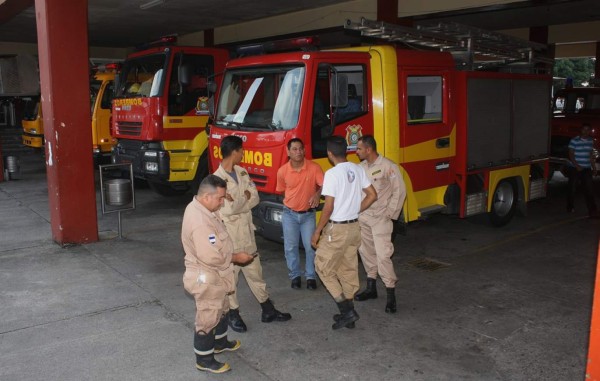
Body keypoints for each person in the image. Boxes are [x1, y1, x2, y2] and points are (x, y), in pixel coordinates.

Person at [214, 135, 292, 333]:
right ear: (234, 152)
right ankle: (233, 313)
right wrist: (244, 198)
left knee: (256, 274)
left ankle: (267, 309)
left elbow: (255, 198)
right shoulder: (216, 180)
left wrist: (240, 200)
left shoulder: (242, 172)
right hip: (230, 238)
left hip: (247, 234)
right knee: (231, 279)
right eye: (241, 150)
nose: (243, 154)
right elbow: (227, 209)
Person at [181, 175, 255, 373]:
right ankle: (204, 360)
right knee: (208, 314)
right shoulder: (200, 221)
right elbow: (210, 256)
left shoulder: (203, 208)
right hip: (205, 274)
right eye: (220, 198)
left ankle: (220, 343)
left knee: (221, 307)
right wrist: (235, 257)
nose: (223, 202)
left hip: (215, 273)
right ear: (206, 196)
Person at [311, 135, 377, 330]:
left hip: (337, 229)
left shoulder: (332, 174)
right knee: (347, 270)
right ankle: (348, 316)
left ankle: (346, 310)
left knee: (322, 267)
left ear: (330, 154)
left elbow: (328, 206)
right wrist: (356, 209)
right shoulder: (358, 169)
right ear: (346, 151)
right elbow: (373, 195)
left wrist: (318, 230)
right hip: (354, 227)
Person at [354, 135, 406, 313]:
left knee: (383, 255)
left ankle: (391, 295)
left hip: (381, 219)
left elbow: (400, 191)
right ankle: (371, 288)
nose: (356, 151)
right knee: (366, 252)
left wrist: (390, 215)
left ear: (368, 149)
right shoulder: (360, 168)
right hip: (364, 217)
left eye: (359, 148)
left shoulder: (388, 166)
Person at [276, 138, 324, 290]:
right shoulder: (282, 171)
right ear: (288, 152)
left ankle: (310, 276)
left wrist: (317, 194)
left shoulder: (314, 167)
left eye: (300, 149)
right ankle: (295, 275)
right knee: (290, 247)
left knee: (311, 247)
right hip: (289, 214)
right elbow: (282, 189)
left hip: (308, 215)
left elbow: (324, 186)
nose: (298, 152)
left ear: (304, 150)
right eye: (295, 149)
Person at [566, 123, 599, 218]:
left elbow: (590, 155)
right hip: (575, 168)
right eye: (584, 129)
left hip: (586, 168)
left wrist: (594, 167)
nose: (586, 131)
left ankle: (593, 210)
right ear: (581, 130)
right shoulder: (574, 140)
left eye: (588, 130)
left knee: (589, 189)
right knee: (572, 188)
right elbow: (571, 154)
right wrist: (576, 165)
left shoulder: (590, 141)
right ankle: (570, 206)